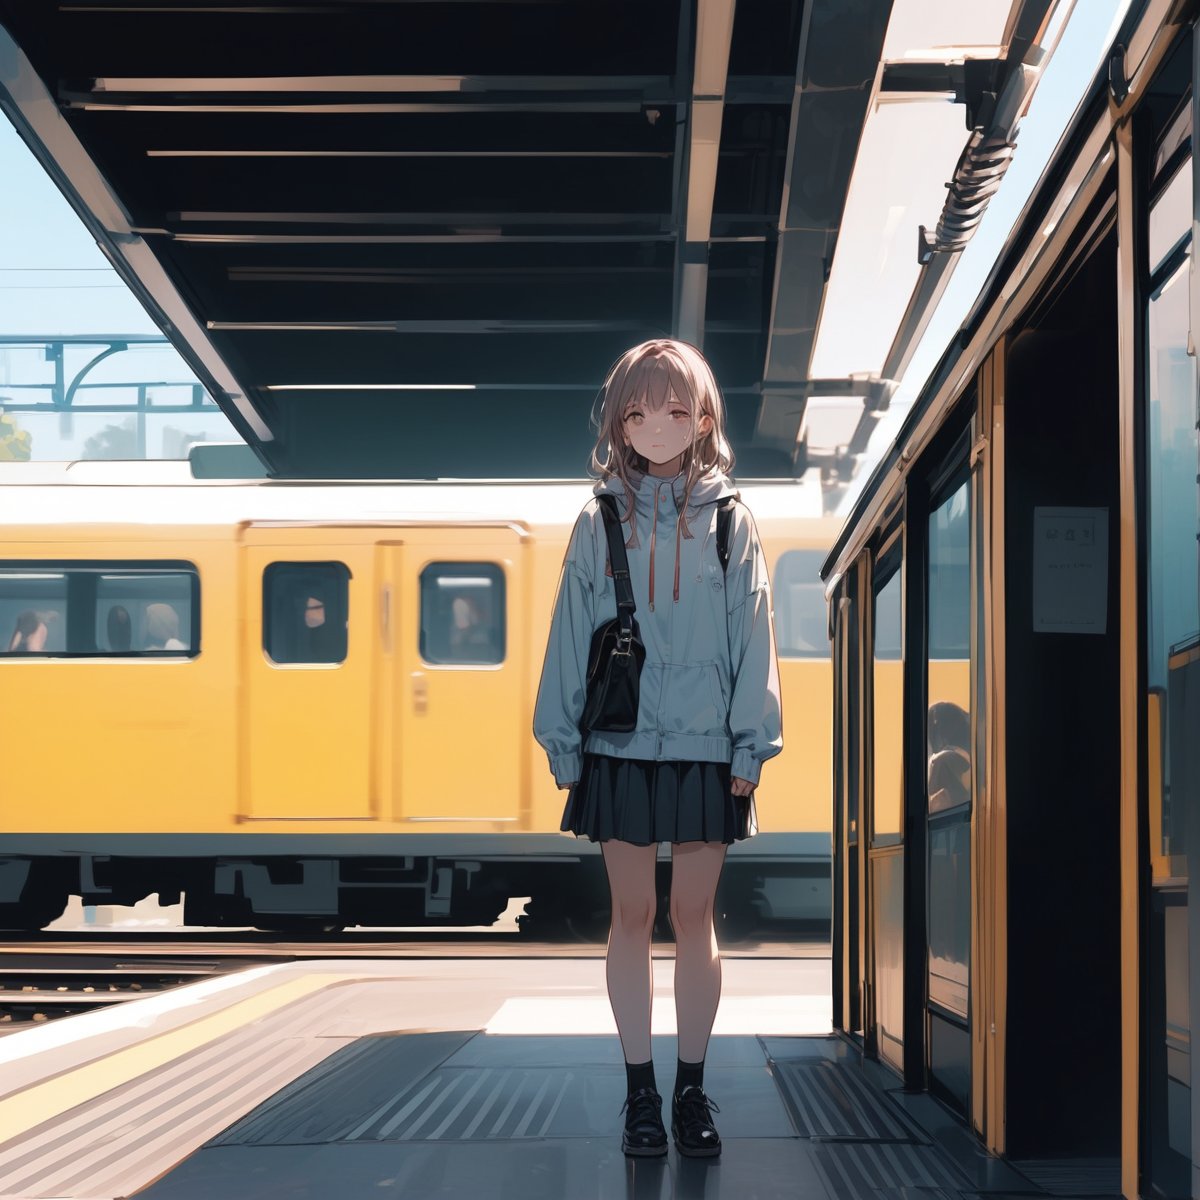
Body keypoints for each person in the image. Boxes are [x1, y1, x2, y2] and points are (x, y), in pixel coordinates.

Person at [533, 339, 783, 1159]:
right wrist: (563, 745)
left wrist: (753, 744)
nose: (658, 424)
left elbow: (755, 636)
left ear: (703, 416)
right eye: (640, 410)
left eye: (676, 408)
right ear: (620, 421)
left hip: (711, 748)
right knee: (632, 917)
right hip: (620, 742)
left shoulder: (732, 522)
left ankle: (691, 1089)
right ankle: (640, 1094)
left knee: (694, 916)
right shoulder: (596, 517)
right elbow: (569, 635)